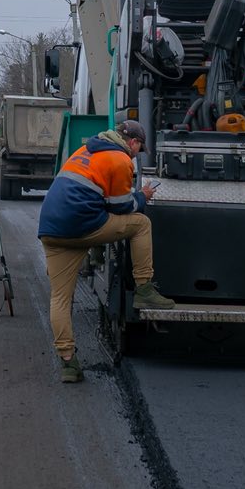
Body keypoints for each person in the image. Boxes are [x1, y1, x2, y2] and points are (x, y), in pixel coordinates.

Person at [36, 119, 175, 383]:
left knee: (60, 298)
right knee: (141, 224)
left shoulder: (86, 150)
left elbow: (95, 197)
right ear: (133, 142)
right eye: (139, 148)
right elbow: (122, 207)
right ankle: (145, 290)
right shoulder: (121, 160)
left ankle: (68, 363)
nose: (137, 154)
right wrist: (143, 195)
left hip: (51, 230)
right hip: (82, 228)